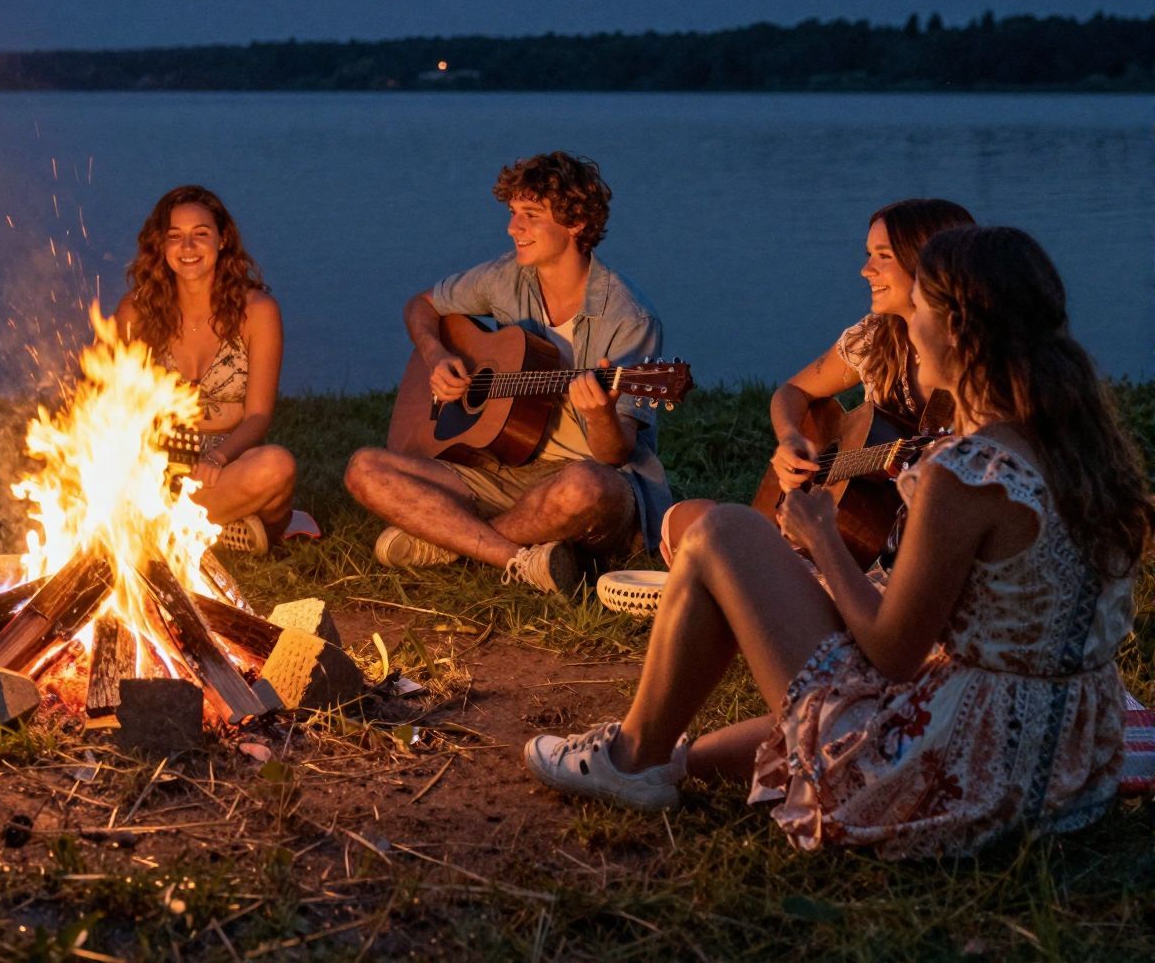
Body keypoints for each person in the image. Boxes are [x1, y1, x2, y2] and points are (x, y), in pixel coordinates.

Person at [525, 226, 1149, 857]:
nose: (909, 327)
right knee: (817, 705)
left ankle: (631, 756)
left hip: (963, 779)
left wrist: (823, 539)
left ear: (957, 328)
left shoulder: (967, 472)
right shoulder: (1081, 450)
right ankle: (655, 757)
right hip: (1059, 768)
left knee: (724, 530)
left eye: (920, 310)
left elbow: (892, 654)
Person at [343, 151, 668, 594]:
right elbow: (421, 305)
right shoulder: (506, 277)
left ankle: (450, 537)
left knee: (585, 487)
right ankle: (516, 558)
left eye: (530, 216)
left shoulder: (631, 320)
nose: (512, 228)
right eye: (514, 214)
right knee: (364, 468)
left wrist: (599, 415)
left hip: (579, 481)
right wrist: (436, 354)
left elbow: (615, 455)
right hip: (501, 467)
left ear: (575, 224)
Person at [659, 197, 976, 563]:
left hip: (918, 549)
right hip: (850, 533)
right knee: (689, 519)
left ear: (930, 263)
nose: (865, 270)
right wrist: (792, 438)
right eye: (868, 254)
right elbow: (792, 391)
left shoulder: (984, 361)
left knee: (721, 543)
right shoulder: (875, 338)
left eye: (883, 256)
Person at [113, 185, 314, 554]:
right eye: (175, 236)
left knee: (277, 466)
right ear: (161, 245)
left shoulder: (257, 311)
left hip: (228, 460)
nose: (188, 248)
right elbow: (107, 401)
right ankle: (225, 527)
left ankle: (166, 529)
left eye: (200, 234)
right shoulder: (136, 310)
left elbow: (257, 415)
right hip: (158, 463)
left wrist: (217, 458)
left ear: (222, 240)